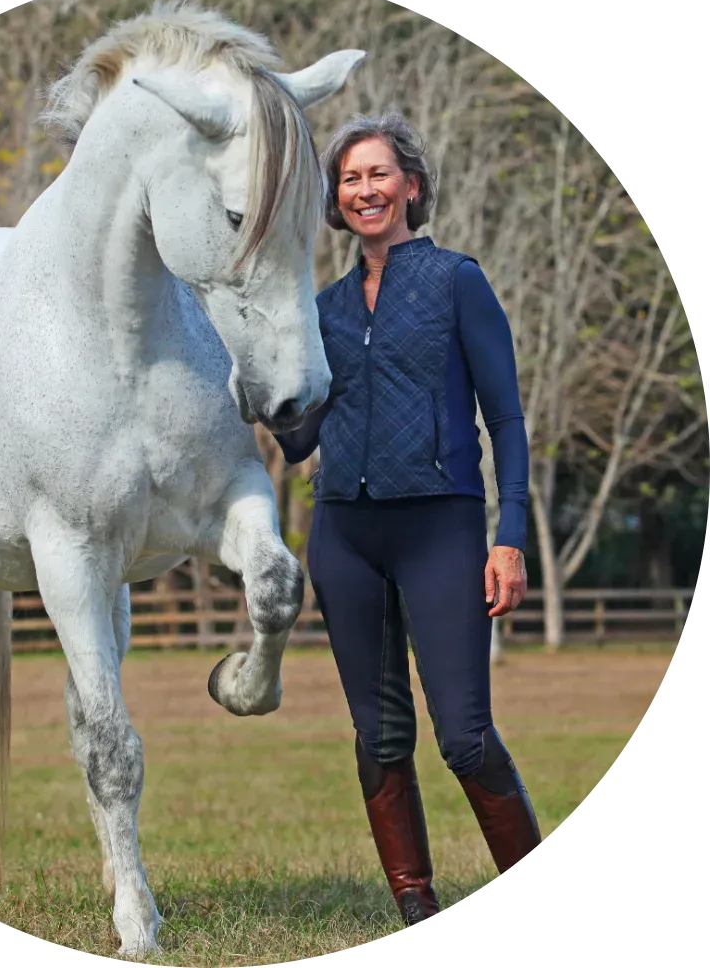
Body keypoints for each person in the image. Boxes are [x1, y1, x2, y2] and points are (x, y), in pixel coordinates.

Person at [272, 113, 543, 928]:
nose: (365, 191)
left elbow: (507, 420)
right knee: (381, 734)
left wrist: (510, 536)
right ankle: (416, 904)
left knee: (464, 735)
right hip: (344, 537)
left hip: (440, 529)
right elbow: (299, 442)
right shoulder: (321, 308)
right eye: (350, 179)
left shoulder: (457, 281)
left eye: (379, 174)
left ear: (411, 186)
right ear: (337, 199)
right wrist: (262, 387)